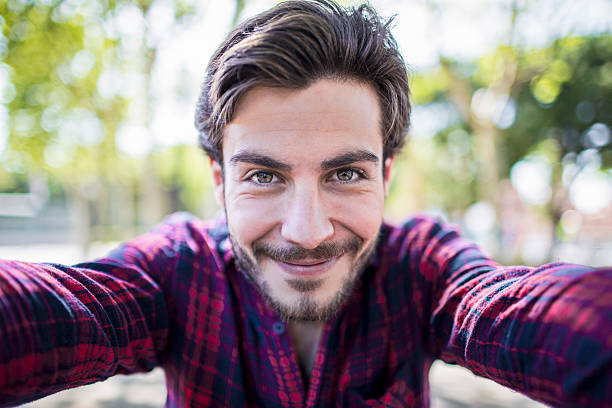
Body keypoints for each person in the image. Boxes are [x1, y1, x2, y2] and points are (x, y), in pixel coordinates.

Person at [0, 0, 610, 407]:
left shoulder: (421, 267)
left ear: (387, 174)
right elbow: (76, 308)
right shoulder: (175, 269)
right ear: (219, 182)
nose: (309, 231)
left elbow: (502, 308)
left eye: (345, 172)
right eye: (264, 176)